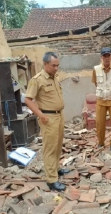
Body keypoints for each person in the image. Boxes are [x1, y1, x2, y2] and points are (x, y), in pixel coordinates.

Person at [25, 52, 69, 191]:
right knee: (50, 148)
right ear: (45, 64)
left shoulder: (54, 77)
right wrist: (41, 115)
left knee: (57, 145)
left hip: (59, 116)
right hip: (48, 118)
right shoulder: (37, 80)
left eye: (57, 65)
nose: (56, 68)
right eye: (53, 65)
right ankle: (51, 179)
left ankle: (55, 169)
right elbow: (27, 100)